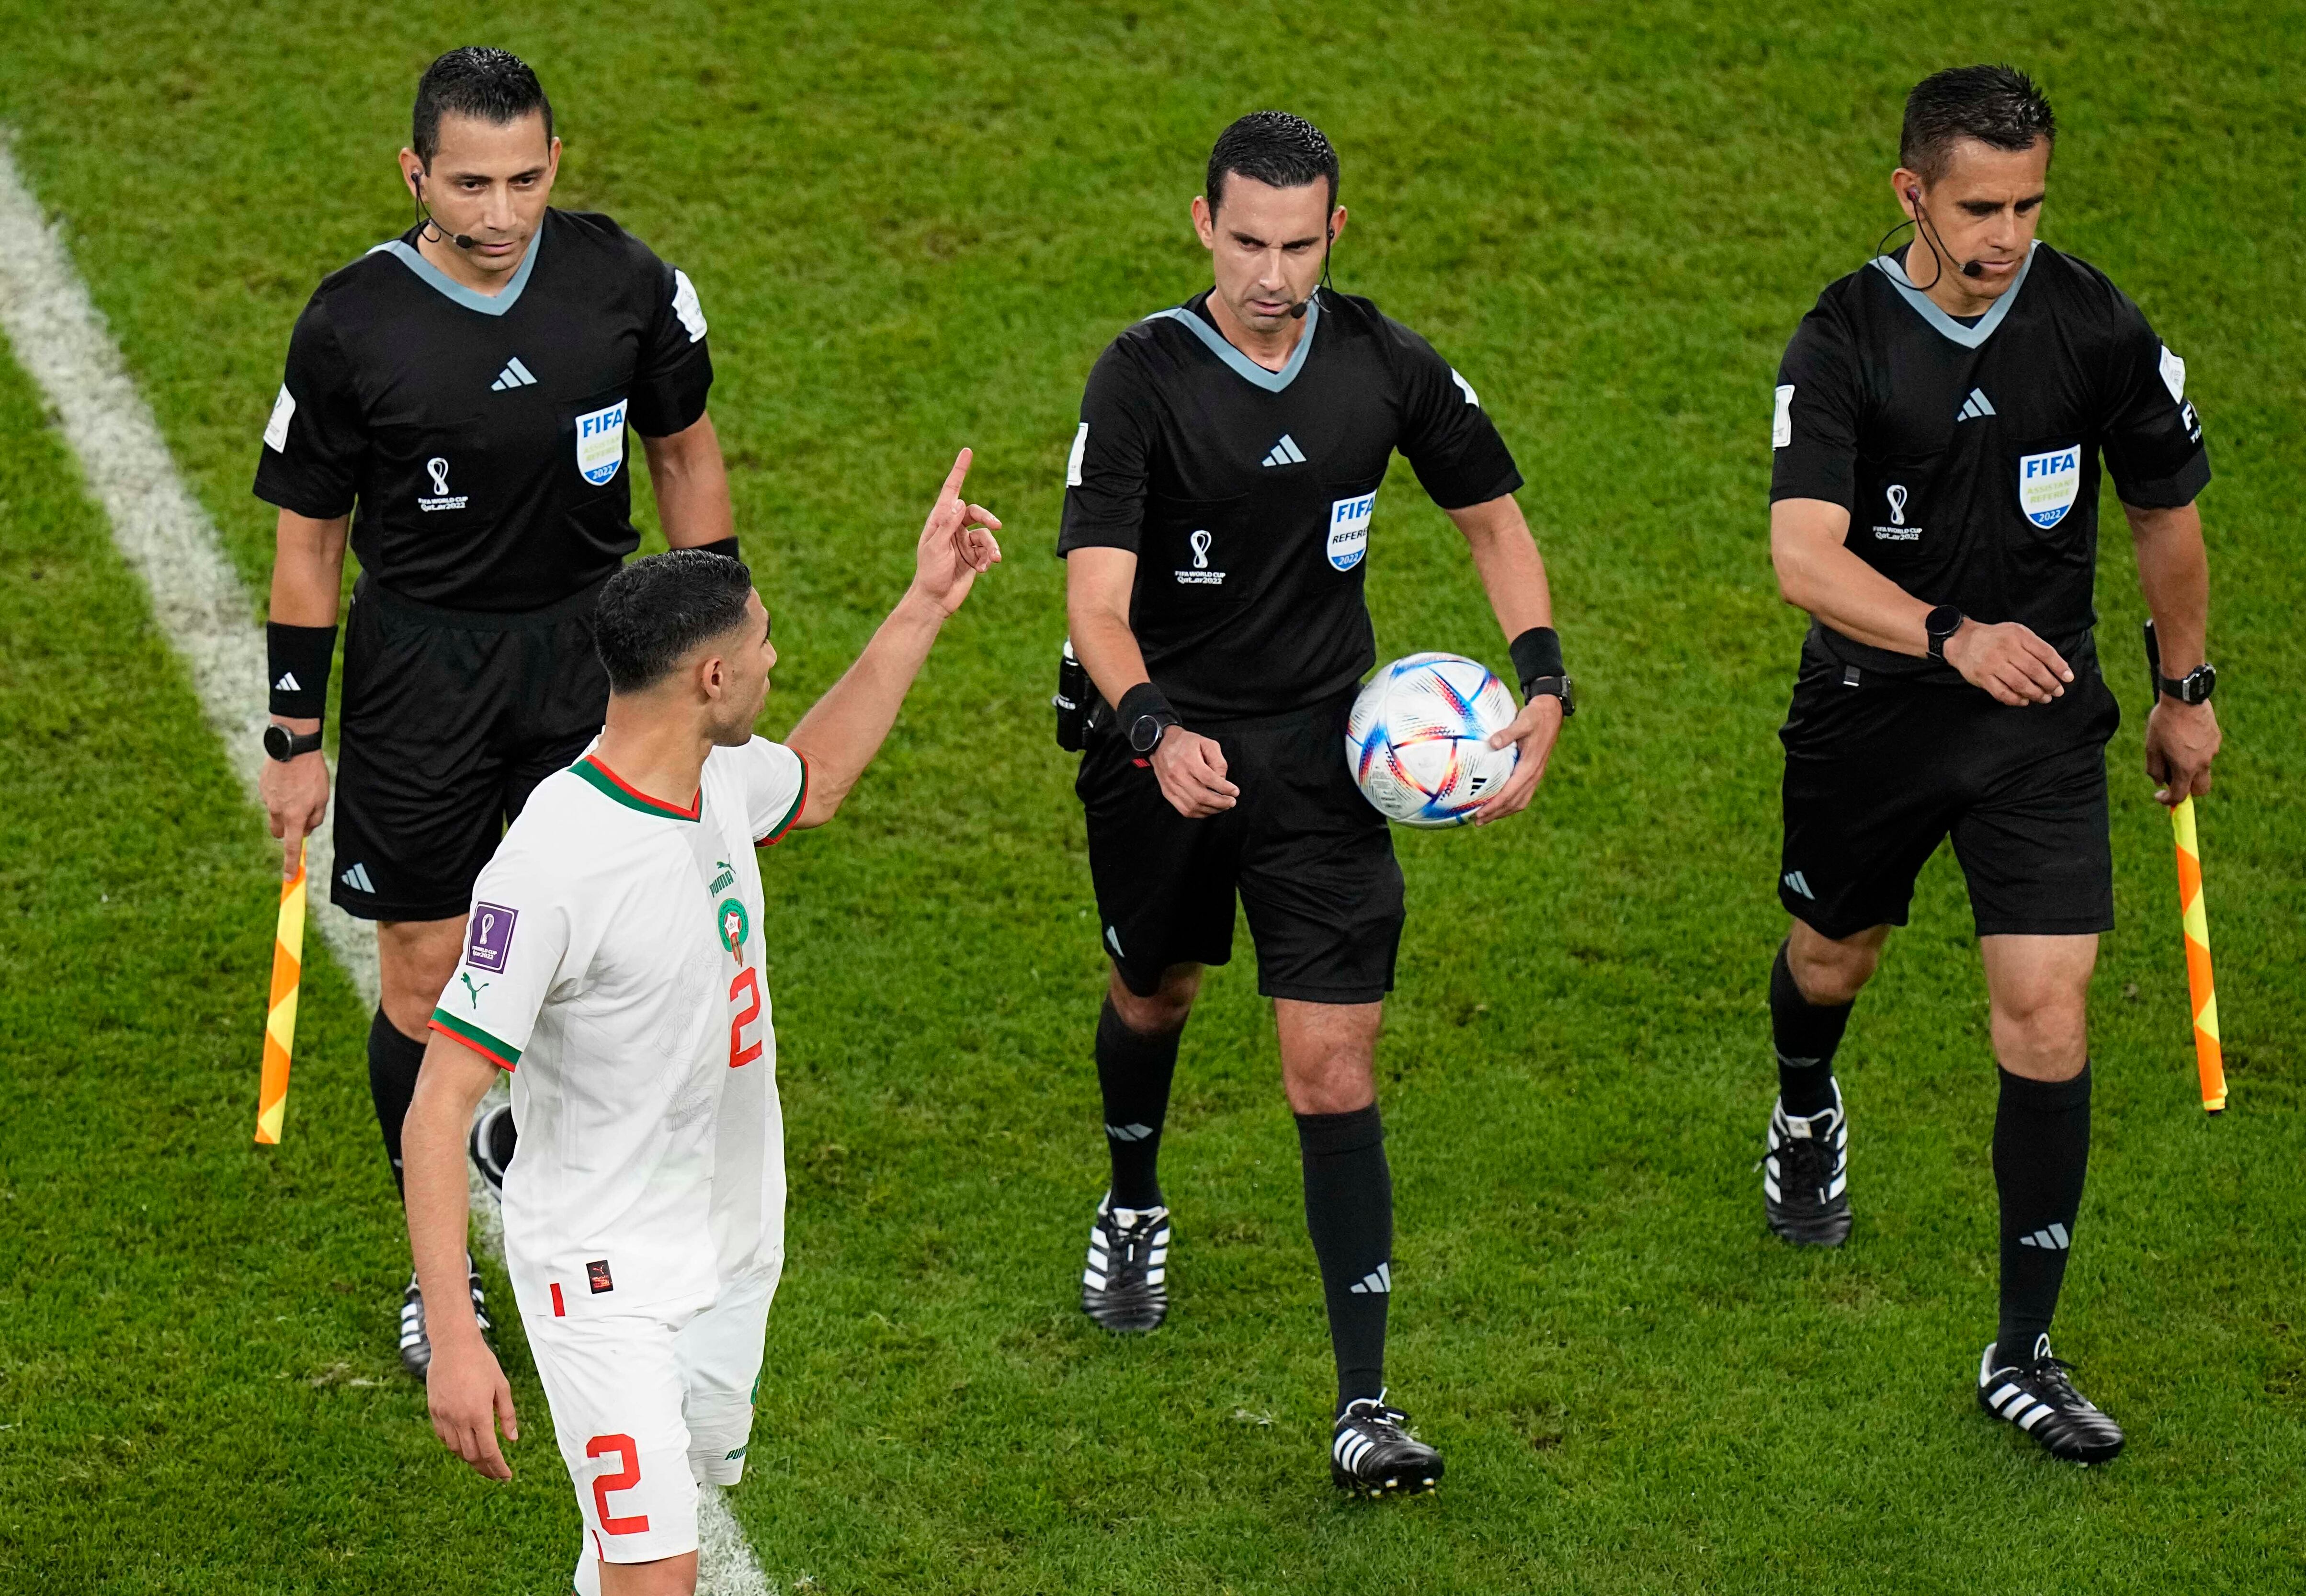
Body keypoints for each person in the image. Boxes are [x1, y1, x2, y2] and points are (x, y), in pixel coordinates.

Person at [1057, 110, 1572, 1496]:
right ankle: (1133, 1193)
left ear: (1335, 233)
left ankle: (1365, 1400)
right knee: (1153, 989)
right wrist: (1153, 727)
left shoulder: (1384, 362)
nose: (1271, 274)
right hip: (1162, 737)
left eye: (1297, 244)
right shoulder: (1145, 376)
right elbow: (1096, 604)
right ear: (1201, 225)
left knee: (1332, 1065)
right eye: (1246, 241)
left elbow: (1494, 519)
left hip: (1330, 757)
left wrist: (1544, 683)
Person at [401, 453, 1001, 1596]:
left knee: (650, 1535)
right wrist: (457, 1334)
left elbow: (816, 779)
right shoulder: (552, 867)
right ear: (715, 675)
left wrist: (925, 599)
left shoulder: (713, 773)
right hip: (600, 1273)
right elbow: (440, 1109)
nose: (778, 660)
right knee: (656, 1572)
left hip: (730, 1246)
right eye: (766, 645)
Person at [251, 45, 739, 1376]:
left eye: (525, 178)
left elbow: (686, 455)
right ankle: (444, 1264)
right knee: (423, 972)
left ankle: (566, 1183)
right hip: (423, 671)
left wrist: (710, 639)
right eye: (471, 183)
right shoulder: (354, 322)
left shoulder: (628, 287)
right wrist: (296, 734)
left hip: (597, 659)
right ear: (417, 174)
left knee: (603, 953)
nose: (502, 211)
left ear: (556, 164)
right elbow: (310, 542)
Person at [1761, 65, 2219, 1463]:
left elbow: (2165, 513)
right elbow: (1803, 558)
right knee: (1832, 957)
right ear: (1913, 194)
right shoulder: (1842, 339)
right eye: (1979, 206)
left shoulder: (2090, 322)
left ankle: (2021, 1348)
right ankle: (1801, 1098)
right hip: (1873, 712)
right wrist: (1949, 634)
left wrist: (2182, 689)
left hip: (2039, 724)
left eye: (2028, 202)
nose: (2007, 233)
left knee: (2046, 1012)